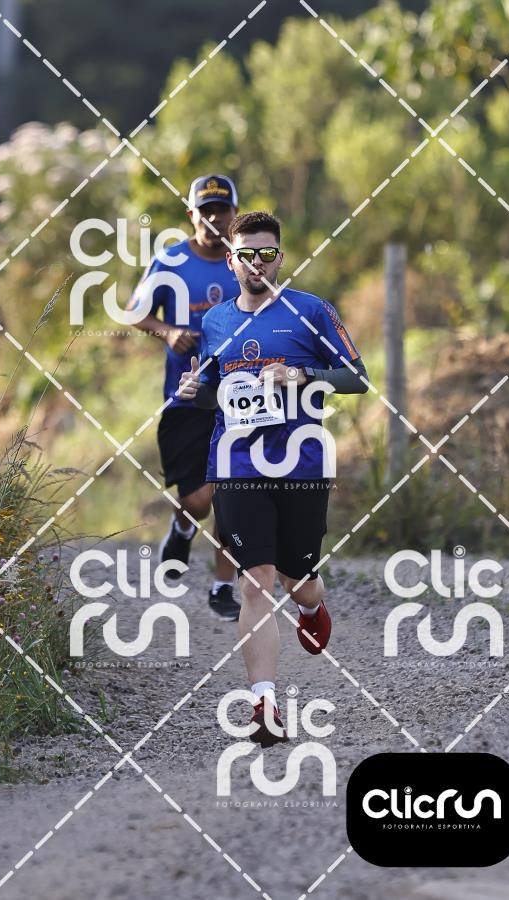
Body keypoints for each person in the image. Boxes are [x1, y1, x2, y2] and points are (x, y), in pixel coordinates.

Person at [177, 211, 368, 746]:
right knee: (255, 580)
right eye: (246, 255)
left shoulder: (311, 311)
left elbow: (357, 377)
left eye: (266, 254)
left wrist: (302, 374)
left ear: (280, 258)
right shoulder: (216, 321)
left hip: (301, 465)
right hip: (237, 465)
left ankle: (311, 604)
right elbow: (212, 389)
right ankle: (265, 705)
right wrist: (196, 390)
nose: (256, 264)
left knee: (295, 577)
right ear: (232, 261)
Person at [128, 175, 240, 621]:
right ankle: (181, 527)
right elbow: (135, 312)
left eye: (222, 210)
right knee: (199, 500)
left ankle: (223, 587)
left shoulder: (244, 262)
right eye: (205, 211)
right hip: (186, 399)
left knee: (234, 493)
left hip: (240, 400)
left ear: (234, 213)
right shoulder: (171, 261)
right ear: (191, 215)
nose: (214, 219)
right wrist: (169, 332)